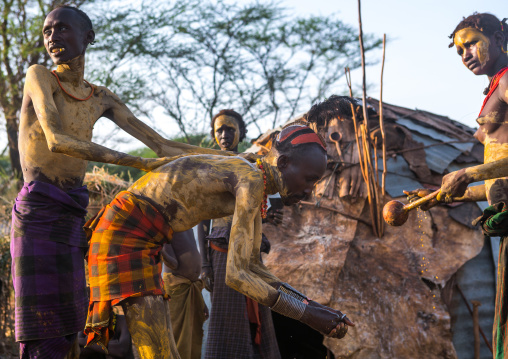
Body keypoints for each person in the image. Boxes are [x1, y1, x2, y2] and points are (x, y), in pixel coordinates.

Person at [12, 5, 228, 358]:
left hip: (71, 212)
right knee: (41, 328)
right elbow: (56, 140)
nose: (53, 37)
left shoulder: (101, 97)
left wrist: (232, 159)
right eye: (48, 31)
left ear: (88, 37)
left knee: (71, 326)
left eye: (63, 29)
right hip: (38, 211)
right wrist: (138, 162)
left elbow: (162, 144)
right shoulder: (40, 76)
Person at [84, 124, 355, 359]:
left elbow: (255, 269)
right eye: (310, 179)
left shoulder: (256, 186)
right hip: (125, 233)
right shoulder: (249, 179)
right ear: (283, 163)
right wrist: (307, 316)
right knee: (158, 351)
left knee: (164, 351)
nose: (310, 190)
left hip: (141, 236)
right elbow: (236, 276)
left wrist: (315, 308)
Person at [407, 13, 508, 358]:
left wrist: (469, 173)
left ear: (497, 36)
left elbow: (486, 174)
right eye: (459, 49)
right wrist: (438, 196)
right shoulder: (495, 87)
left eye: (472, 43)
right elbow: (499, 182)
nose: (465, 54)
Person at [197, 110, 282, 358]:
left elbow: (275, 202)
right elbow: (203, 218)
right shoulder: (209, 168)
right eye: (219, 130)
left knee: (258, 309)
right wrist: (204, 265)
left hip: (251, 249)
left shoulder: (254, 165)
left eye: (230, 129)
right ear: (214, 135)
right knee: (227, 315)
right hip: (222, 252)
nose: (224, 135)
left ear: (241, 133)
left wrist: (270, 213)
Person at [161, 229, 208, 359]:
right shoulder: (169, 225)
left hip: (192, 288)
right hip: (176, 288)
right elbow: (173, 263)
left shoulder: (187, 225)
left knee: (193, 336)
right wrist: (160, 250)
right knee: (177, 336)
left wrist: (201, 300)